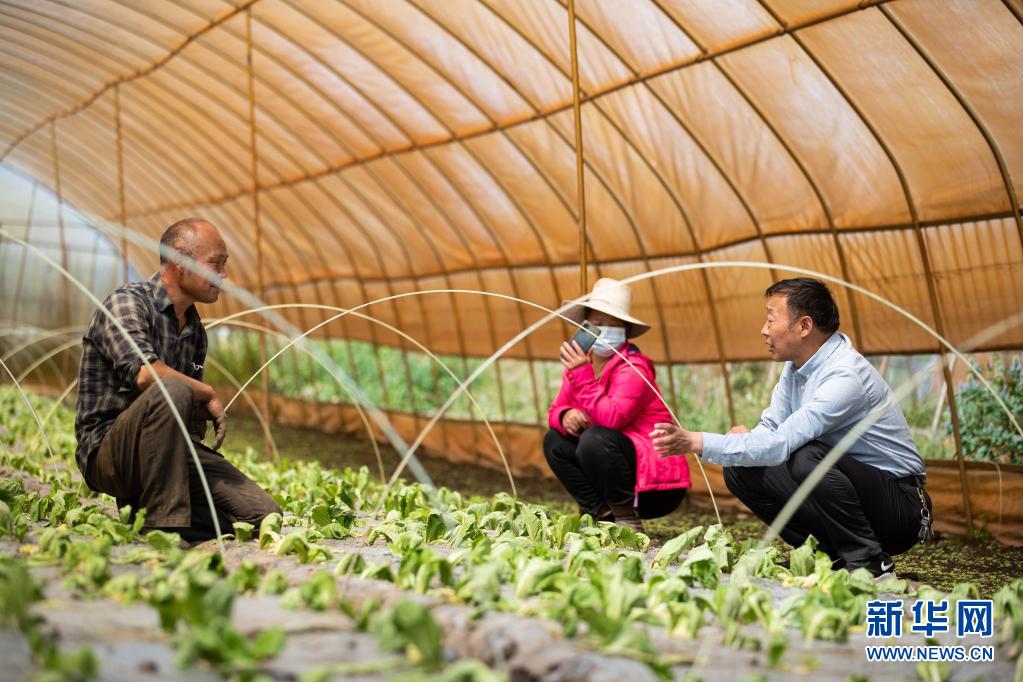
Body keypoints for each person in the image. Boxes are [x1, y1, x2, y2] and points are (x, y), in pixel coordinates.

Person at [651, 278, 931, 579]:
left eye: (771, 318)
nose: (764, 329)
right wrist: (744, 443)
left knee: (804, 456)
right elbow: (771, 427)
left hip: (900, 508)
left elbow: (782, 443)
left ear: (804, 326)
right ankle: (826, 556)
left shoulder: (845, 375)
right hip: (853, 492)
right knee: (739, 468)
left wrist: (695, 440)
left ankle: (869, 562)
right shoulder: (796, 368)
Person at [74, 218, 280, 542]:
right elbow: (145, 375)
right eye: (216, 264)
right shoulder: (127, 303)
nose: (223, 275)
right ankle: (163, 528)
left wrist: (197, 410)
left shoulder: (195, 332)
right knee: (173, 387)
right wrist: (205, 392)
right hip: (109, 453)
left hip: (170, 452)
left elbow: (186, 409)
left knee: (261, 516)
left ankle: (149, 512)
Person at [543, 278, 691, 532]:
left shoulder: (635, 368)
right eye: (598, 324)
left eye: (613, 326)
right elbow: (555, 410)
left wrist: (582, 375)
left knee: (594, 438)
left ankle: (627, 519)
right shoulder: (582, 362)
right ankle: (601, 513)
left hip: (654, 485)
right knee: (554, 441)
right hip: (617, 468)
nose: (604, 330)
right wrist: (565, 416)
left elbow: (612, 419)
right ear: (585, 327)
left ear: (625, 332)